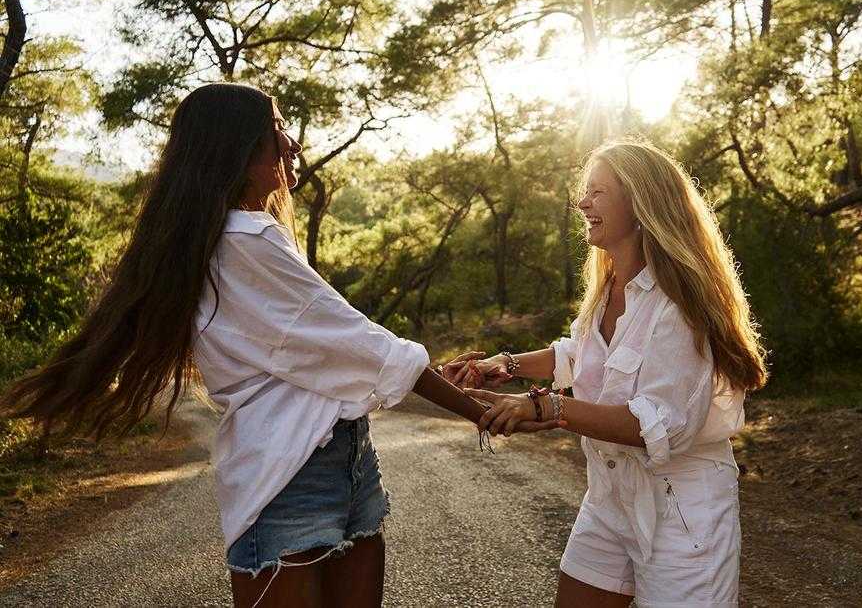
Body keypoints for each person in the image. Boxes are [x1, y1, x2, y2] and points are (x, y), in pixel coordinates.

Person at [0, 82, 557, 608]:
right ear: (237, 151)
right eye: (275, 127)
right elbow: (363, 346)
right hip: (294, 471)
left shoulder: (227, 238)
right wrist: (480, 412)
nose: (289, 142)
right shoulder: (246, 241)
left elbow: (330, 348)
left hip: (337, 458)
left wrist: (444, 379)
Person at [445, 139, 767, 607]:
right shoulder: (609, 284)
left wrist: (550, 408)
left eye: (597, 192)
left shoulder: (681, 304)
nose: (582, 203)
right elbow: (582, 353)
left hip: (682, 509)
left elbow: (658, 422)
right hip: (611, 496)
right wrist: (505, 365)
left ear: (641, 202)